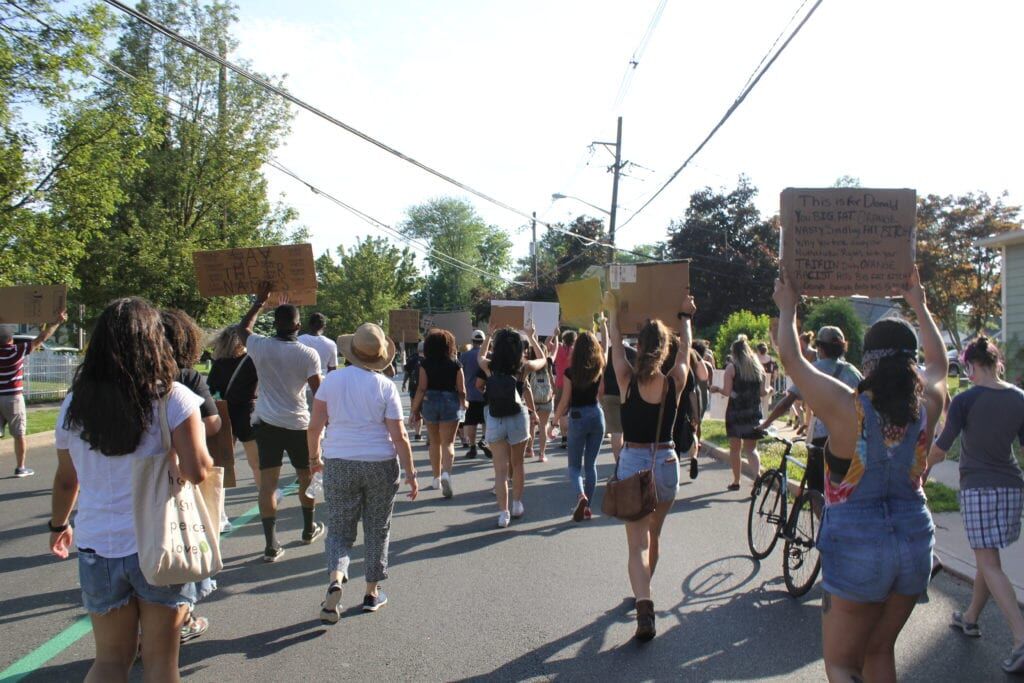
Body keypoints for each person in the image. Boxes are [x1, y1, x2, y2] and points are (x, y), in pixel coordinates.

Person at [775, 266, 945, 682]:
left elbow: (792, 359)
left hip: (856, 547)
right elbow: (939, 364)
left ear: (867, 360)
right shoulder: (927, 407)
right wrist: (919, 305)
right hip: (915, 541)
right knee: (879, 651)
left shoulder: (844, 406)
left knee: (842, 664)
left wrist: (788, 307)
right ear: (910, 363)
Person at [48, 297, 215, 682]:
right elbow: (198, 470)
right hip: (159, 543)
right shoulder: (173, 398)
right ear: (155, 342)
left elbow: (66, 479)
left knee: (109, 660)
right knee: (160, 662)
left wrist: (59, 526)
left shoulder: (75, 403)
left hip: (97, 544)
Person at [307, 322, 419, 623]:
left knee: (340, 530)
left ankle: (336, 577)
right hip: (380, 463)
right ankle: (371, 592)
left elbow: (315, 425)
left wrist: (314, 458)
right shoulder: (385, 386)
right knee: (377, 527)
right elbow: (399, 436)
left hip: (339, 461)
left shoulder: (332, 381)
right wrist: (410, 471)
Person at [928, 337, 1024, 673]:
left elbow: (942, 448)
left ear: (968, 366)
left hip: (979, 489)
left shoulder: (965, 400)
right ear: (995, 362)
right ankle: (970, 617)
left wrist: (920, 473)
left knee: (990, 561)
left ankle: (1020, 638)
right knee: (988, 556)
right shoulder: (1019, 398)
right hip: (1012, 487)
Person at [604, 291, 694, 641]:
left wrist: (613, 314)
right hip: (667, 462)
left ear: (638, 348)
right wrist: (685, 316)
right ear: (665, 347)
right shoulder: (674, 382)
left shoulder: (626, 381)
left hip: (634, 463)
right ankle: (646, 590)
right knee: (654, 536)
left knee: (636, 544)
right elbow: (686, 351)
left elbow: (613, 343)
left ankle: (644, 601)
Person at [239, 284, 324, 563]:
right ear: (299, 325)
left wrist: (259, 302)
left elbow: (243, 330)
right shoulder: (308, 354)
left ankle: (271, 544)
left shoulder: (260, 346)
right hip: (298, 424)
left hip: (267, 425)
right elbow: (318, 392)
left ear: (275, 323)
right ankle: (308, 528)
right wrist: (324, 425)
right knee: (305, 478)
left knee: (267, 485)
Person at [759, 326, 862, 494]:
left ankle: (823, 518)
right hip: (851, 439)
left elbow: (787, 402)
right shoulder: (854, 372)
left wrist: (767, 423)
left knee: (816, 490)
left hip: (822, 437)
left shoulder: (814, 370)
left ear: (820, 348)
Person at [479, 323, 547, 527]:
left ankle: (503, 513)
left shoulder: (490, 367)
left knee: (500, 470)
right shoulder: (523, 367)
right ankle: (517, 503)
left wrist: (489, 335)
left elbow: (479, 357)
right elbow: (543, 360)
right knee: (517, 464)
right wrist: (532, 337)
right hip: (518, 416)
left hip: (495, 417)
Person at [1, 312, 67, 477]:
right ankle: (20, 467)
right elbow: (41, 338)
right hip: (13, 397)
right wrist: (56, 323)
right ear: (11, 339)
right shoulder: (17, 351)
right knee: (19, 434)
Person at [551, 330, 605, 521]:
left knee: (574, 467)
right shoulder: (599, 366)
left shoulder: (569, 372)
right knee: (591, 465)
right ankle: (587, 506)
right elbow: (602, 393)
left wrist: (554, 421)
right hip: (597, 414)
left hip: (578, 416)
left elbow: (565, 401)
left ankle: (580, 495)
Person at [207, 325, 263, 496]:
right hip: (247, 412)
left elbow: (211, 390)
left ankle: (219, 507)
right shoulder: (250, 360)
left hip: (224, 413)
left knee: (222, 463)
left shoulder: (219, 364)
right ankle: (266, 496)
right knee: (256, 463)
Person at [410, 328, 466, 497]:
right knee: (448, 443)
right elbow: (462, 389)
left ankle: (436, 478)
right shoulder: (456, 364)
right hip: (450, 401)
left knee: (434, 442)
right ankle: (447, 474)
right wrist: (464, 403)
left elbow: (421, 388)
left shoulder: (424, 364)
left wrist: (414, 411)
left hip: (430, 401)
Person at [711, 335, 770, 491]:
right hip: (753, 412)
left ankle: (736, 481)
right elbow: (763, 392)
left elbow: (727, 391)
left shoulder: (732, 368)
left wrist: (716, 389)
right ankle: (757, 476)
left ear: (734, 352)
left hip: (736, 412)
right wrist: (770, 390)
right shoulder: (758, 367)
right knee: (751, 449)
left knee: (735, 449)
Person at [601, 331, 638, 466]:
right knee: (629, 431)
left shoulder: (605, 354)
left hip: (609, 394)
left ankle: (619, 464)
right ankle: (630, 461)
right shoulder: (633, 353)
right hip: (629, 394)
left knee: (616, 432)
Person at [460, 330, 489, 458]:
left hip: (470, 394)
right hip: (486, 394)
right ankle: (484, 440)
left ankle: (472, 448)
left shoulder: (464, 356)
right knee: (486, 421)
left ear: (472, 341)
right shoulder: (489, 355)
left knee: (471, 422)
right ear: (483, 342)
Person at [527, 344, 554, 462]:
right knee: (543, 427)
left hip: (531, 401)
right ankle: (542, 454)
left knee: (531, 426)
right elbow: (552, 381)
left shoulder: (528, 366)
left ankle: (530, 449)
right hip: (546, 401)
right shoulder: (548, 364)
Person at [552, 330, 576, 448]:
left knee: (562, 412)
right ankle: (572, 436)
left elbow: (546, 344)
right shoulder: (576, 351)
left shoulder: (559, 349)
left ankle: (564, 438)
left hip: (560, 383)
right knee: (573, 411)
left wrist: (555, 335)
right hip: (575, 382)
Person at [402, 342, 424, 441]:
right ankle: (429, 438)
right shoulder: (429, 359)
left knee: (415, 410)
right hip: (426, 389)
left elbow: (407, 372)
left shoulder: (412, 358)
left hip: (413, 388)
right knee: (426, 412)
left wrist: (404, 383)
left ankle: (417, 434)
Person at [756, 342, 778, 419]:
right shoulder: (772, 360)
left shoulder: (755, 360)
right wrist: (772, 382)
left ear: (758, 350)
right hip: (768, 385)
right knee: (765, 406)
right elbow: (775, 374)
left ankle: (757, 420)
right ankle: (764, 420)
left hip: (756, 384)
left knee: (757, 404)